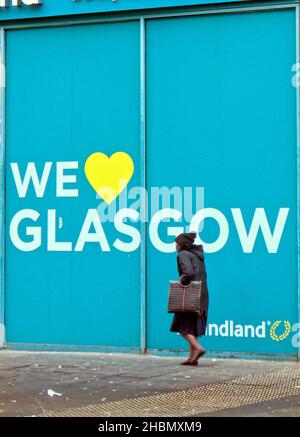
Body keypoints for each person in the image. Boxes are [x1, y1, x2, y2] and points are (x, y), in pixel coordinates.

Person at [170, 232, 209, 365]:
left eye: (177, 243)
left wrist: (181, 280)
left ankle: (198, 348)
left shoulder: (183, 254)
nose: (175, 245)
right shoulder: (197, 255)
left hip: (189, 296)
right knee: (192, 327)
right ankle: (192, 358)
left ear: (182, 245)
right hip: (201, 294)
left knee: (182, 328)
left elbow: (189, 273)